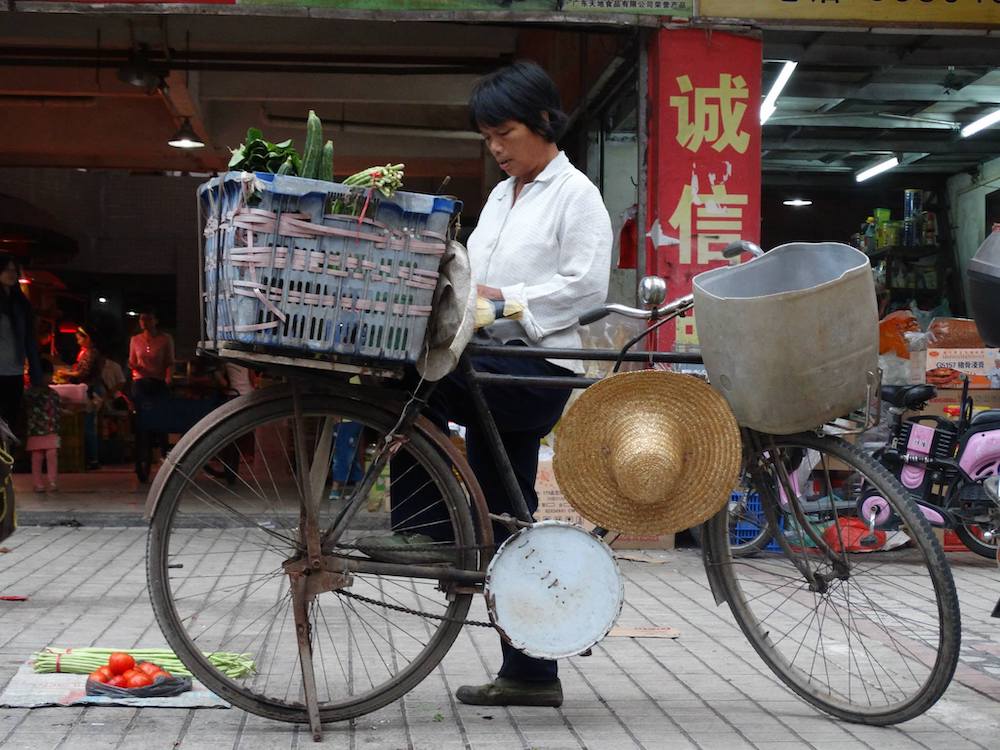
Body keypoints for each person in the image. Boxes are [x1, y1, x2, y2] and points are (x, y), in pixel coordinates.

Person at [357, 61, 612, 709]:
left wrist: (506, 301)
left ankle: (423, 527)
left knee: (415, 381)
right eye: (487, 136)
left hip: (534, 372)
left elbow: (586, 289)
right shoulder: (502, 196)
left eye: (505, 132)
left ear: (545, 123)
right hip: (492, 363)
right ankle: (531, 674)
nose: (496, 147)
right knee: (510, 517)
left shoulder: (574, 193)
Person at [0, 254, 43, 432]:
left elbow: (30, 341)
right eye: (7, 269)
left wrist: (36, 376)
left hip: (15, 370)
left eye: (14, 270)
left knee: (10, 421)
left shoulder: (21, 304)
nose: (11, 273)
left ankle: (6, 458)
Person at [128, 309, 175, 459]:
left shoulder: (165, 339)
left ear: (155, 321)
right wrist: (134, 367)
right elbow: (132, 361)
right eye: (142, 319)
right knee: (140, 414)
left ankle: (163, 451)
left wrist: (168, 377)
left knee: (161, 415)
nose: (144, 322)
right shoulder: (135, 340)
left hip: (158, 380)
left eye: (148, 319)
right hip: (141, 380)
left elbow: (169, 361)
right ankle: (141, 451)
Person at [63, 326, 105, 470]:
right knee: (87, 425)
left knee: (88, 426)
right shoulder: (85, 352)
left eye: (80, 338)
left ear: (88, 337)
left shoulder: (91, 353)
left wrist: (66, 373)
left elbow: (83, 372)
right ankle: (89, 457)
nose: (78, 341)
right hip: (86, 390)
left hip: (90, 391)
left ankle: (93, 459)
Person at [24, 359, 62, 493]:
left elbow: (58, 410)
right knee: (38, 456)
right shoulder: (30, 394)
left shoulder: (52, 394)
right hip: (38, 429)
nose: (48, 378)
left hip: (48, 429)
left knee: (50, 454)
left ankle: (52, 482)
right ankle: (39, 483)